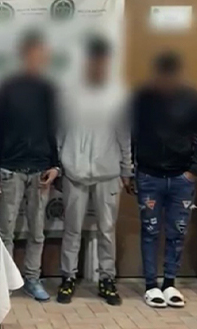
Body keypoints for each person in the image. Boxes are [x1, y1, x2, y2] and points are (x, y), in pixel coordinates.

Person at [130, 51, 197, 308]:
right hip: (149, 176)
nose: (166, 80)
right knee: (150, 231)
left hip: (181, 178)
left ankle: (170, 283)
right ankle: (151, 285)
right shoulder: (142, 98)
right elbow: (130, 133)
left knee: (177, 231)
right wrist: (132, 168)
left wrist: (194, 169)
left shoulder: (193, 98)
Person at [57, 37, 131, 305]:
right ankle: (68, 277)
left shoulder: (118, 94)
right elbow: (60, 132)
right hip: (74, 171)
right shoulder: (69, 93)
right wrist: (60, 164)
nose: (97, 64)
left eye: (102, 60)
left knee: (106, 229)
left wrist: (127, 168)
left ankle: (106, 279)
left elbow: (124, 134)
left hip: (107, 172)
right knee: (72, 229)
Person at [0, 33, 61, 302]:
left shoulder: (48, 89)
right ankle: (6, 281)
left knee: (37, 231)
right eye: (32, 55)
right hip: (10, 169)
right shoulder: (7, 87)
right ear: (23, 56)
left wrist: (55, 166)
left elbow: (54, 129)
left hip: (40, 170)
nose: (36, 60)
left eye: (41, 56)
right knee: (5, 230)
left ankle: (32, 278)